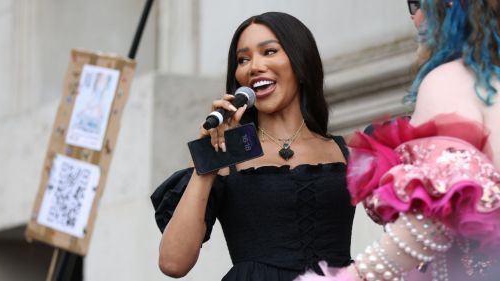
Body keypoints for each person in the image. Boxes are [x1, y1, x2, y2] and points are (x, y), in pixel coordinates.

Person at [298, 0, 500, 280]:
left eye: (418, 3)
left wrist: (353, 276)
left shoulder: (448, 81)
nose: (414, 16)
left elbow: (432, 221)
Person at [151, 12, 355, 281]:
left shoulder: (346, 152)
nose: (254, 67)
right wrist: (209, 158)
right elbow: (173, 263)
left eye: (269, 52)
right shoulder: (225, 158)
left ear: (300, 62)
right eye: (243, 59)